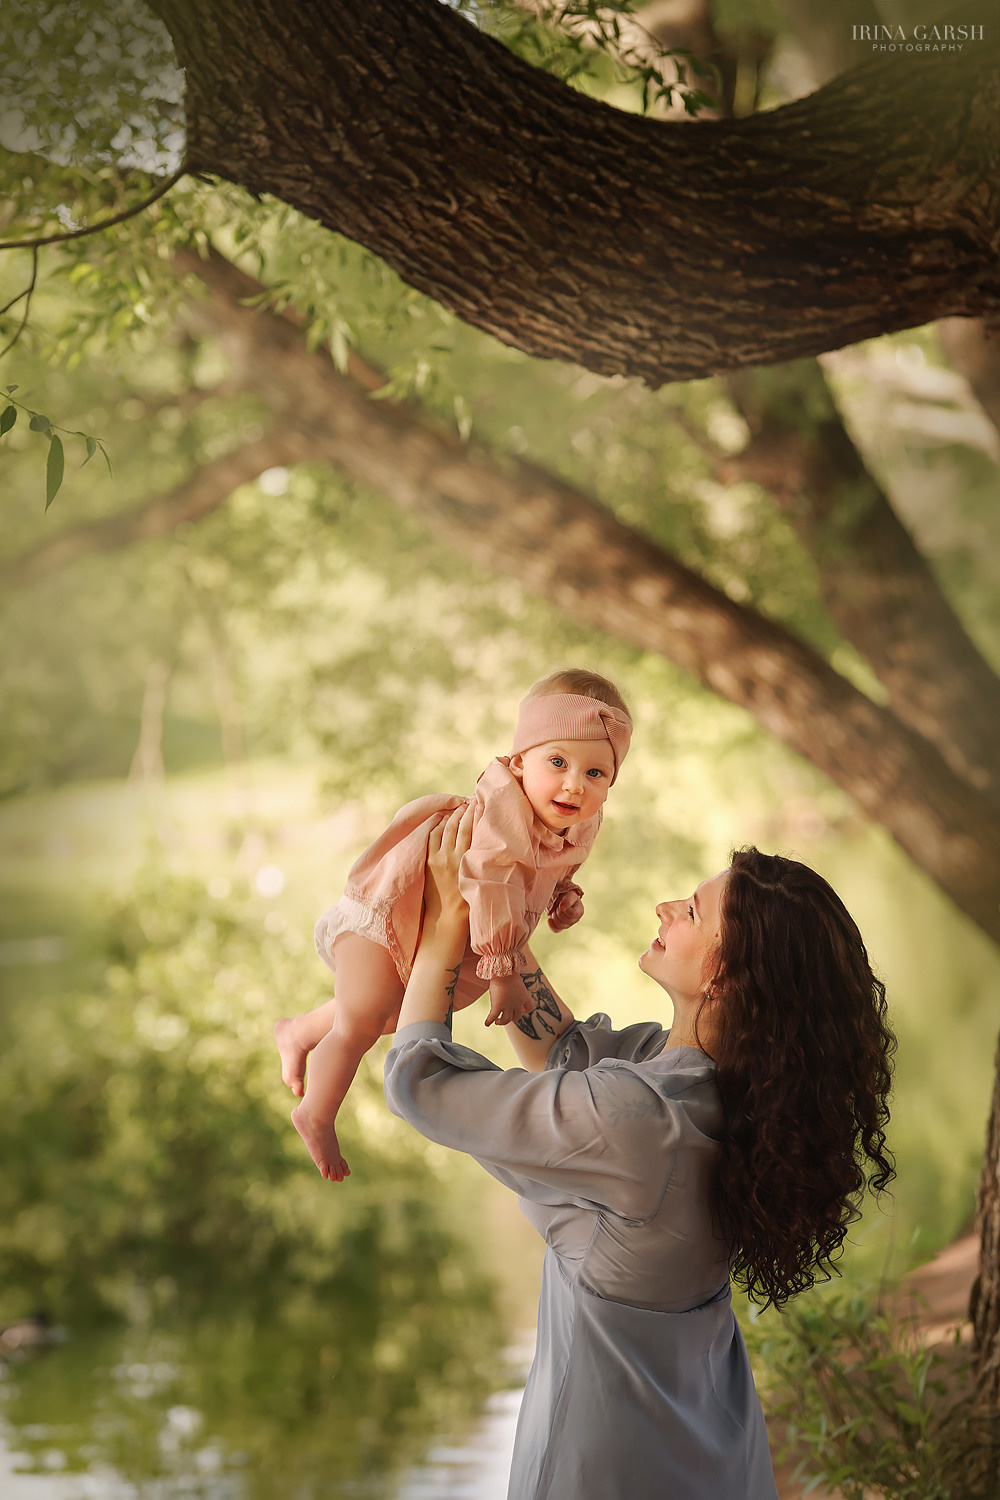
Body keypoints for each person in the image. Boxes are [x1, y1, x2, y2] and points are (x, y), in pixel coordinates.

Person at [383, 806, 896, 1500]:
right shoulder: (720, 1085)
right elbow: (567, 1055)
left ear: (725, 977)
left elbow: (421, 1082)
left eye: (689, 910)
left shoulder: (640, 1123)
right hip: (705, 1453)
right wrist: (502, 910)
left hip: (612, 1470)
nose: (665, 907)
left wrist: (443, 937)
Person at [275, 668, 632, 1182]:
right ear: (519, 760)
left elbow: (554, 867)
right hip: (397, 907)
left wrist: (564, 895)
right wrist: (504, 972)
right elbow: (489, 882)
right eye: (558, 762)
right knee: (359, 1022)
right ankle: (316, 1113)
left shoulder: (578, 819)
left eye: (596, 774)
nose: (575, 784)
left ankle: (298, 1031)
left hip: (435, 928)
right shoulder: (503, 812)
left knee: (382, 1013)